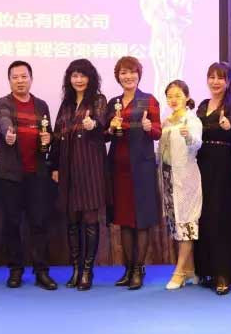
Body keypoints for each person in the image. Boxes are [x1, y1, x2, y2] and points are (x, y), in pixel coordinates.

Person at [0, 61, 57, 290]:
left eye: (24, 76)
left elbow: (47, 133)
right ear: (9, 80)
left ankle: (41, 272)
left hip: (37, 174)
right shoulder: (3, 103)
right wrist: (8, 133)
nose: (20, 81)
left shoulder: (41, 105)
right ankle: (15, 271)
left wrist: (48, 138)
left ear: (31, 79)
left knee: (39, 223)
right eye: (15, 77)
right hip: (11, 175)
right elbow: (4, 120)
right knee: (12, 224)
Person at [50, 59, 110, 291]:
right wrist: (55, 167)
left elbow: (103, 126)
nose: (79, 80)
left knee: (90, 220)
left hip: (91, 166)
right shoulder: (66, 104)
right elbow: (57, 136)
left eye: (83, 75)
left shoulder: (98, 100)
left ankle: (87, 271)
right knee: (72, 221)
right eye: (74, 75)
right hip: (68, 166)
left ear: (90, 78)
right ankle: (75, 269)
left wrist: (93, 125)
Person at [105, 56, 161, 290]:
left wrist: (150, 127)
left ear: (139, 75)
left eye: (132, 72)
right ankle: (128, 269)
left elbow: (157, 132)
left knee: (142, 220)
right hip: (119, 168)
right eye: (123, 73)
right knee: (124, 220)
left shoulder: (149, 100)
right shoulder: (113, 103)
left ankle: (139, 269)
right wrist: (110, 127)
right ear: (118, 77)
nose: (128, 76)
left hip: (143, 167)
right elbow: (104, 135)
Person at [194, 62, 231, 295]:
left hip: (222, 164)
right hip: (200, 163)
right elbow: (195, 131)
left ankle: (224, 273)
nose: (215, 82)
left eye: (220, 78)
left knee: (221, 216)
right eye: (211, 77)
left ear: (228, 81)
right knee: (204, 216)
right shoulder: (203, 105)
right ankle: (208, 271)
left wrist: (226, 127)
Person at [158, 80, 202, 290]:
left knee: (185, 223)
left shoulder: (191, 120)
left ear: (186, 97)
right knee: (176, 222)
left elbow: (197, 144)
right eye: (170, 96)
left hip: (186, 177)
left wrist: (189, 137)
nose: (173, 99)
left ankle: (178, 273)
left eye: (178, 95)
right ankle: (190, 270)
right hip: (168, 176)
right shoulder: (167, 121)